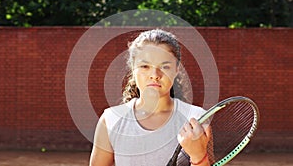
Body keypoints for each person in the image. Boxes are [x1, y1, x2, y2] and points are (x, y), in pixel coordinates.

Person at [89, 29, 211, 166]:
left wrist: (198, 156)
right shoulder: (111, 119)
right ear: (132, 68)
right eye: (145, 66)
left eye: (165, 66)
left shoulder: (196, 118)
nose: (155, 74)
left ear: (176, 70)